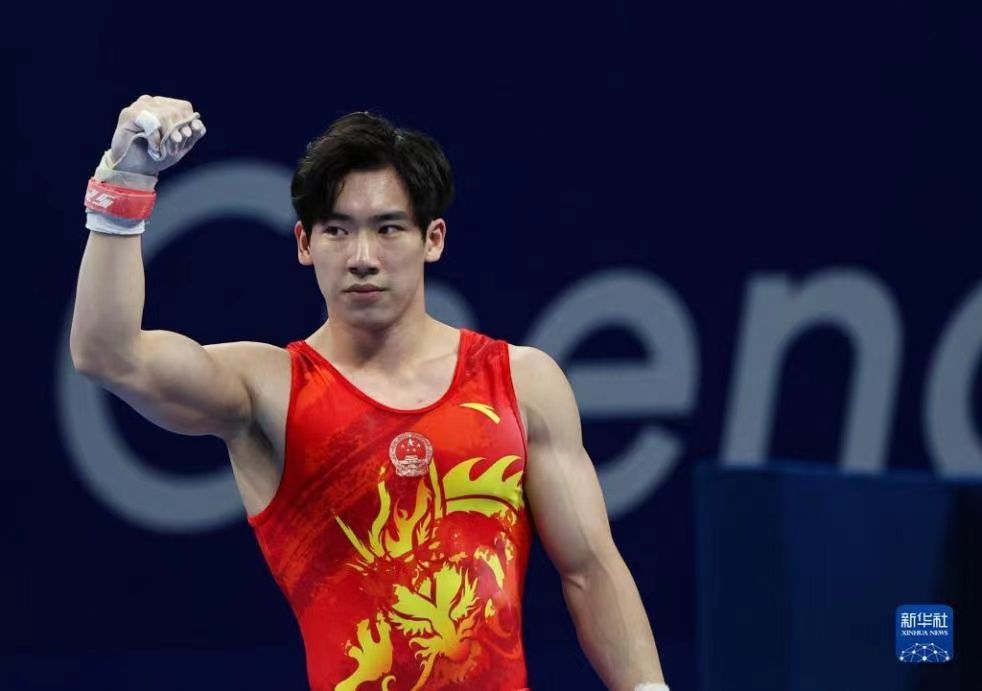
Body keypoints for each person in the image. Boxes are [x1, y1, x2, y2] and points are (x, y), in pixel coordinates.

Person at [71, 94, 669, 691]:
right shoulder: (267, 390)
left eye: (388, 229)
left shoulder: (522, 382)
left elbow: (590, 570)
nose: (362, 258)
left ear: (433, 239)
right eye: (337, 230)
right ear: (304, 244)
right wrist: (125, 183)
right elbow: (107, 355)